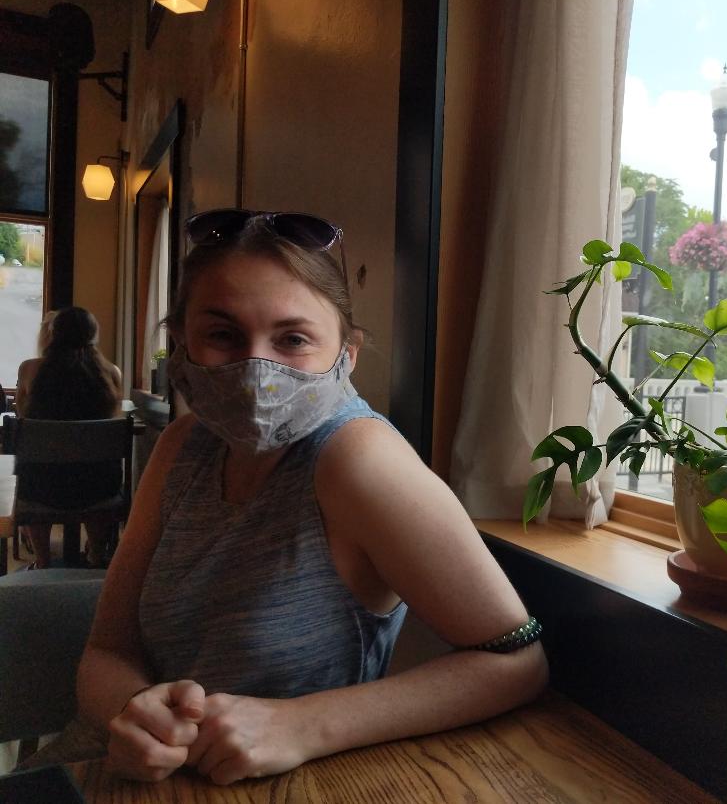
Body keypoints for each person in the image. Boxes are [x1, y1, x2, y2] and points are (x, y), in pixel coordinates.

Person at [76, 210, 548, 785]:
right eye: (223, 335)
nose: (256, 367)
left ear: (346, 354)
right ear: (181, 345)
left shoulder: (358, 460)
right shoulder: (183, 446)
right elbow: (107, 650)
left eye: (293, 338)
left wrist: (302, 726)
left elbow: (517, 661)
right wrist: (131, 713)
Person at [15, 307, 124, 568]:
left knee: (33, 469)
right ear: (93, 334)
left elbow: (21, 418)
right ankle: (96, 554)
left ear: (53, 333)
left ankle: (42, 561)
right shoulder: (111, 373)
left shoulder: (30, 369)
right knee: (101, 468)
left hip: (42, 488)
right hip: (97, 489)